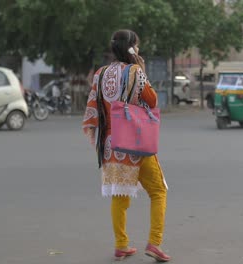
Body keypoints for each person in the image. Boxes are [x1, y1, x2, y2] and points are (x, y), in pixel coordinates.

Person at [81, 29, 171, 262]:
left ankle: (121, 245)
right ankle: (154, 242)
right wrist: (141, 69)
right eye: (137, 46)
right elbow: (152, 100)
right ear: (132, 48)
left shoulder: (100, 74)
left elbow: (92, 107)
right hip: (134, 140)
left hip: (111, 144)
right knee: (158, 191)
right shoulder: (135, 71)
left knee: (119, 196)